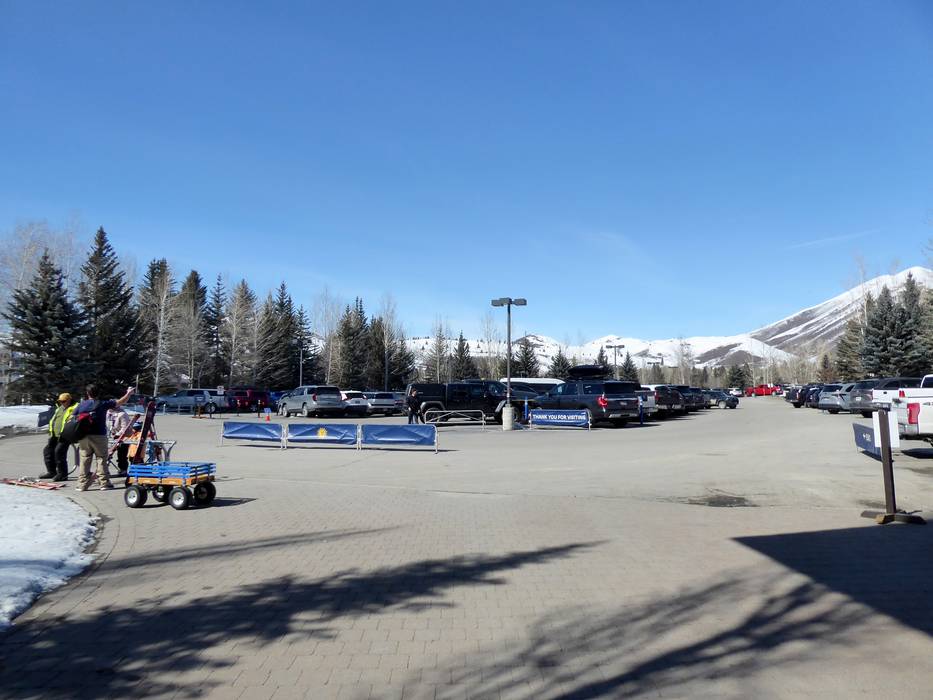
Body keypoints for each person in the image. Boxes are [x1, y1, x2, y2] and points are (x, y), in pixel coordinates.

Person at [75, 384, 135, 492]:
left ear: (87, 393)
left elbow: (73, 416)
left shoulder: (82, 404)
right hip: (99, 435)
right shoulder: (102, 404)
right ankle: (104, 483)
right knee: (101, 458)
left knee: (85, 458)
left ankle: (82, 484)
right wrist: (128, 393)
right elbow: (120, 402)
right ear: (98, 393)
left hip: (83, 435)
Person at [40, 393, 76, 481]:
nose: (62, 403)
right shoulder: (60, 408)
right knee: (47, 451)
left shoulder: (75, 407)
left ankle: (62, 474)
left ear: (69, 400)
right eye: (60, 401)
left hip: (66, 435)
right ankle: (52, 472)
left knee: (59, 452)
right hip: (55, 435)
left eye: (64, 401)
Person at [106, 406, 134, 477]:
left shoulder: (122, 414)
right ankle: (104, 470)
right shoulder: (107, 413)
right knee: (106, 454)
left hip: (124, 437)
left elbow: (125, 428)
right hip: (111, 436)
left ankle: (123, 469)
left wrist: (118, 435)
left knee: (122, 454)